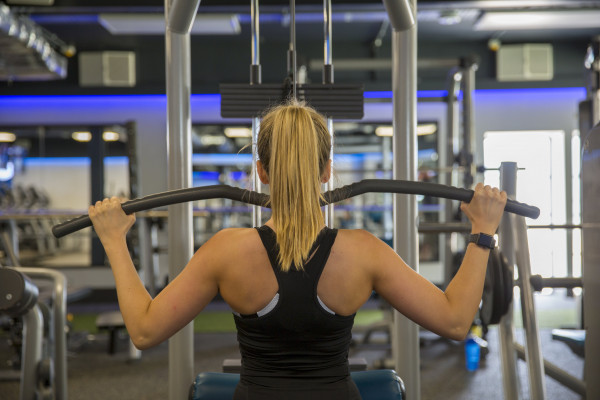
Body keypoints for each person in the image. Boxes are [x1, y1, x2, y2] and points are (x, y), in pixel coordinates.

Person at [88, 101, 507, 400]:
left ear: (261, 172)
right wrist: (483, 231)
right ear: (326, 171)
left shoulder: (224, 251)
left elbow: (143, 332)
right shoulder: (364, 252)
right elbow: (456, 321)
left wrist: (113, 241)